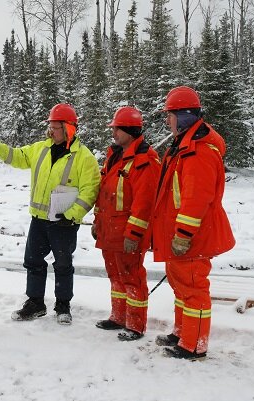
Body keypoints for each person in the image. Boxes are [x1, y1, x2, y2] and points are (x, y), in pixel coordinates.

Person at [0, 103, 100, 324]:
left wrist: (71, 214)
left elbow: (91, 190)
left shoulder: (84, 157)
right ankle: (35, 303)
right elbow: (17, 156)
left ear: (69, 128)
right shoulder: (40, 149)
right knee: (33, 262)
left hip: (65, 222)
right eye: (49, 126)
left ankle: (63, 306)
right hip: (39, 220)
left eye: (55, 127)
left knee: (62, 265)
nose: (51, 131)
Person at [152, 86, 235, 360]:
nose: (167, 121)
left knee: (193, 290)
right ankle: (182, 332)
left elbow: (196, 198)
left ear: (184, 116)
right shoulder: (184, 147)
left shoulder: (198, 152)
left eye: (171, 115)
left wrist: (183, 233)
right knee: (181, 287)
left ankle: (194, 345)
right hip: (181, 234)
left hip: (191, 236)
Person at [92, 106, 160, 341]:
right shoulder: (114, 155)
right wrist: (96, 221)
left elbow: (144, 204)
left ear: (130, 131)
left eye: (117, 129)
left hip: (127, 233)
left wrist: (134, 234)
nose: (113, 133)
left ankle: (135, 324)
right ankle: (118, 317)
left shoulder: (145, 161)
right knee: (115, 276)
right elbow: (105, 192)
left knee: (132, 278)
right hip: (109, 230)